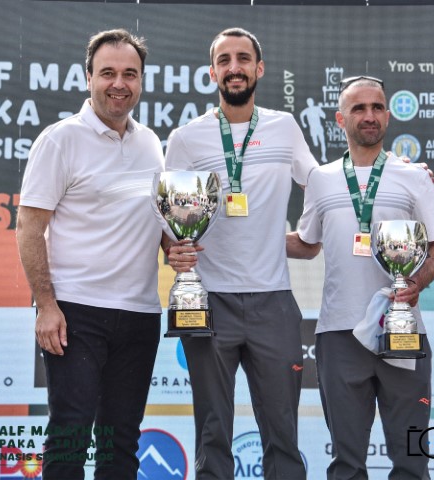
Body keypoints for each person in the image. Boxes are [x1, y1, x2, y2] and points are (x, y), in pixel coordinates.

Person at [165, 28, 317, 480]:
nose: (235, 68)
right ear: (212, 73)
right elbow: (166, 218)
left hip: (274, 301)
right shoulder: (187, 138)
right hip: (208, 301)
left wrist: (396, 173)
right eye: (225, 60)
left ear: (259, 68)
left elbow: (322, 183)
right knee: (213, 432)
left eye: (243, 59)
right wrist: (173, 249)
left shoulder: (284, 127)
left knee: (283, 433)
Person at [16, 29, 168, 480]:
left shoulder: (151, 144)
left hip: (140, 314)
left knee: (121, 443)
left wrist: (175, 246)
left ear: (141, 81)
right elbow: (29, 228)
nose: (119, 83)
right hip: (75, 313)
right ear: (88, 78)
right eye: (108, 73)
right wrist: (46, 306)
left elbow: (154, 219)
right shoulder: (60, 140)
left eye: (130, 74)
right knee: (70, 435)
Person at [286, 75, 434, 480]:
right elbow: (307, 244)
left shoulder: (414, 176)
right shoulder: (321, 179)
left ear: (388, 116)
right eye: (358, 108)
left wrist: (416, 284)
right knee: (347, 463)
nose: (369, 116)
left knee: (412, 461)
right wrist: (251, 237)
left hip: (403, 331)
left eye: (377, 107)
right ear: (340, 119)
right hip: (338, 334)